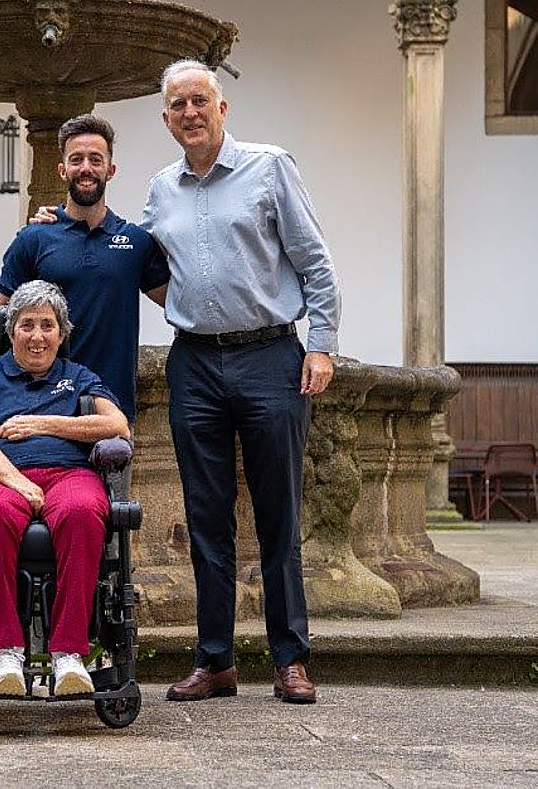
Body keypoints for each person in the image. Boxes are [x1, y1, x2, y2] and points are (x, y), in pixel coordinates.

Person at [149, 59, 340, 705]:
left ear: (222, 108)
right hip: (195, 363)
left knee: (278, 512)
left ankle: (290, 659)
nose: (190, 112)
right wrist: (56, 221)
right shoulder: (161, 189)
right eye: (178, 105)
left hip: (269, 356)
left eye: (199, 100)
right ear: (166, 119)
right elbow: (146, 264)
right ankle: (215, 660)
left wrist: (323, 344)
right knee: (205, 518)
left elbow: (315, 261)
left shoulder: (270, 166)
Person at [0, 280, 130, 697]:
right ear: (11, 330)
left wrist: (43, 424)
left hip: (69, 475)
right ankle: (4, 652)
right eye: (27, 325)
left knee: (82, 511)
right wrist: (16, 481)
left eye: (47, 325)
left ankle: (69, 652)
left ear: (62, 333)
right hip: (3, 476)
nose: (37, 336)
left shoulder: (78, 376)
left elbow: (117, 425)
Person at [0, 114, 170, 430]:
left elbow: (179, 302)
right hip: (40, 404)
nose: (86, 168)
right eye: (76, 159)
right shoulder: (33, 239)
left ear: (110, 170)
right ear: (62, 170)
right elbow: (3, 318)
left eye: (96, 159)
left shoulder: (136, 242)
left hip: (111, 408)